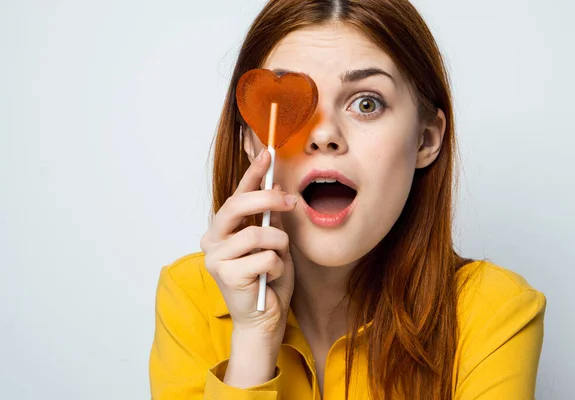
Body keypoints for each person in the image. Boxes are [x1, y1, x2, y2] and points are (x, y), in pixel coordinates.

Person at [149, 1, 546, 399]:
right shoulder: (190, 297)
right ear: (251, 141)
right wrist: (254, 339)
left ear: (426, 139)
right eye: (288, 108)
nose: (324, 135)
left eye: (367, 103)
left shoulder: (495, 311)